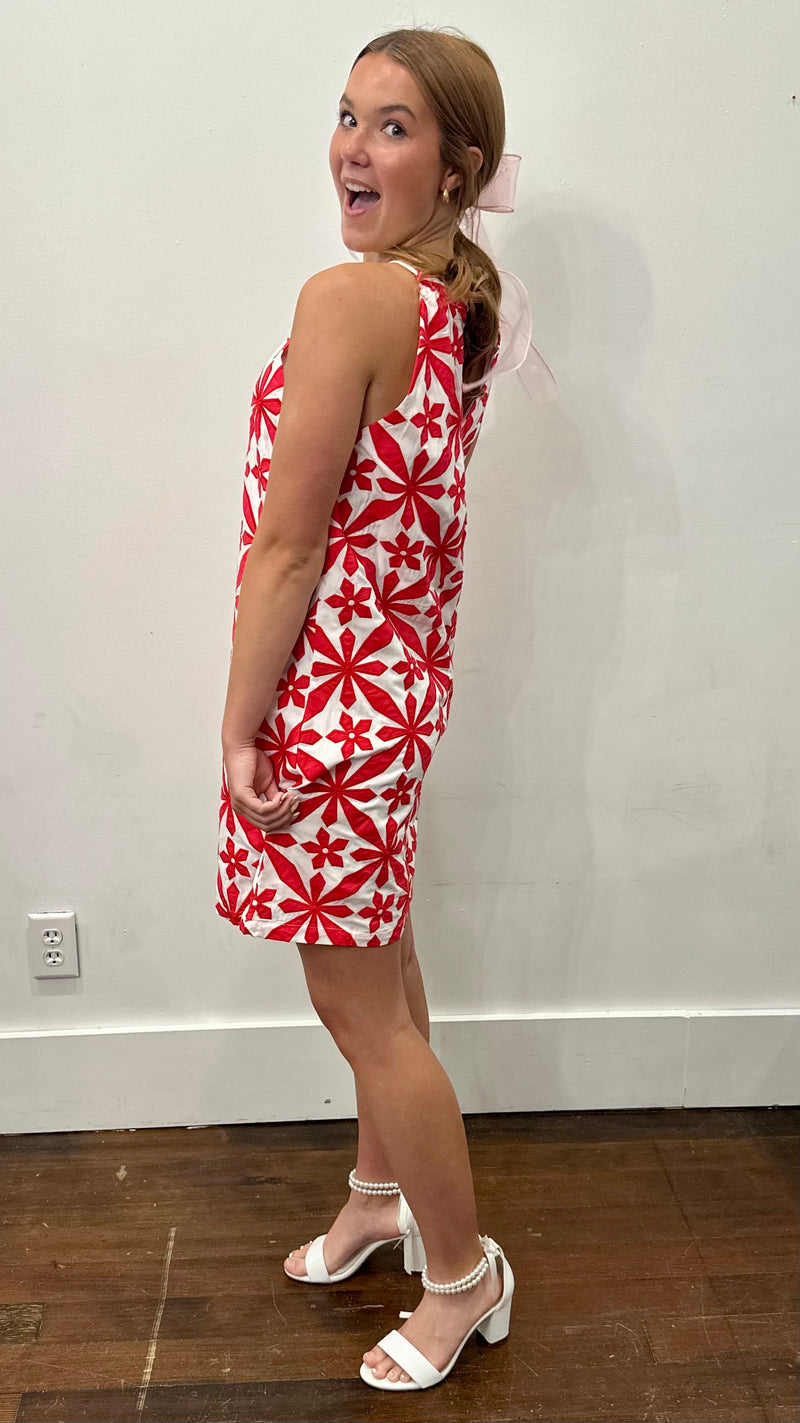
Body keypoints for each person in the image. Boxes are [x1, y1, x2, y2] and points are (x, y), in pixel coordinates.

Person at [216, 26, 515, 1392]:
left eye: (392, 126)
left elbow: (290, 548)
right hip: (393, 694)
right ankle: (382, 1199)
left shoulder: (350, 298)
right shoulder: (447, 308)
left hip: (331, 710)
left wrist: (240, 725)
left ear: (457, 167)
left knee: (363, 1014)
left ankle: (464, 1275)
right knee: (384, 972)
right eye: (348, 115)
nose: (352, 146)